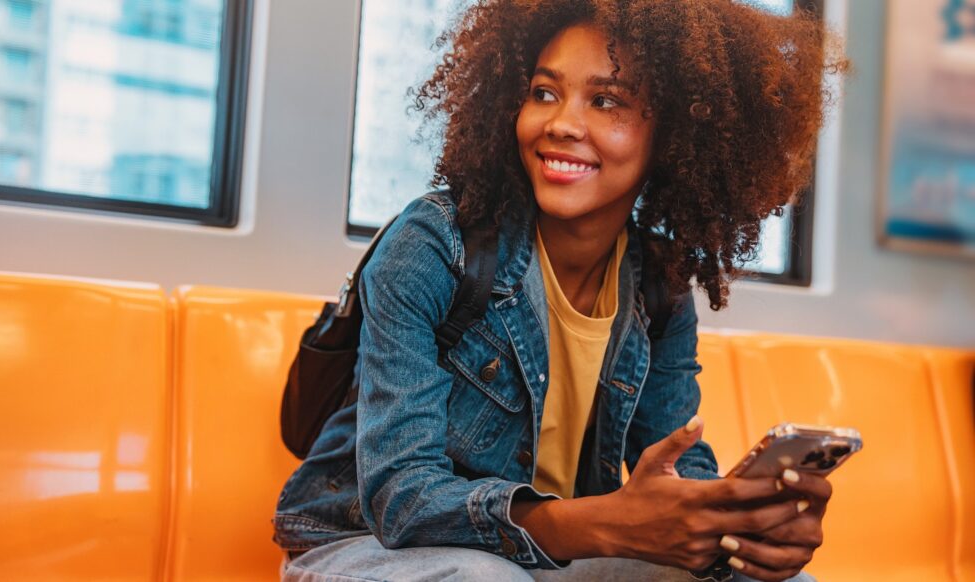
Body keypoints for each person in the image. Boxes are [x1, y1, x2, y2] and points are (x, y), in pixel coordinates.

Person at [274, 1, 847, 580]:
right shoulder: (433, 244)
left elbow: (677, 466)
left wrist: (735, 526)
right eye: (544, 92)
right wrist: (608, 523)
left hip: (547, 557)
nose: (561, 123)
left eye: (606, 101)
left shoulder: (658, 288)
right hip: (364, 544)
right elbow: (404, 500)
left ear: (674, 134)